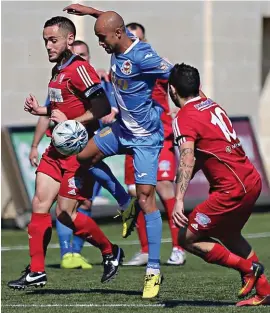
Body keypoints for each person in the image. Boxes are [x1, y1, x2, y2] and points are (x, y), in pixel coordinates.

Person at [8, 16, 126, 290]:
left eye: (53, 40)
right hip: (55, 150)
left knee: (65, 215)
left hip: (78, 152)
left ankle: (110, 251)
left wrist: (71, 123)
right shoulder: (58, 70)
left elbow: (102, 108)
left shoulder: (80, 68)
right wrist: (43, 111)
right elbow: (63, 109)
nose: (48, 46)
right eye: (45, 41)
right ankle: (37, 271)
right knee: (39, 204)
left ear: (69, 40)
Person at [63, 3, 173, 299]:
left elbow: (176, 73)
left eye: (103, 38)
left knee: (148, 198)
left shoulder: (142, 55)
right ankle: (124, 201)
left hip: (146, 138)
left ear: (119, 33)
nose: (100, 43)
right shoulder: (115, 34)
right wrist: (88, 11)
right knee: (83, 157)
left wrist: (194, 104)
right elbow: (107, 19)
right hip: (121, 129)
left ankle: (153, 270)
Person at [169, 63, 270, 307]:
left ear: (172, 90)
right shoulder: (210, 103)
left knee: (186, 238)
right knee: (228, 233)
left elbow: (187, 157)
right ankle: (265, 291)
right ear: (198, 86)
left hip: (232, 189)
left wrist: (179, 200)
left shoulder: (184, 118)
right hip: (251, 180)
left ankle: (249, 269)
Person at [123, 22, 186, 266]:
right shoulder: (120, 66)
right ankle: (146, 250)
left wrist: (184, 111)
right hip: (132, 137)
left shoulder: (154, 63)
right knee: (136, 193)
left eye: (137, 39)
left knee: (165, 189)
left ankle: (179, 247)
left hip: (158, 137)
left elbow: (183, 84)